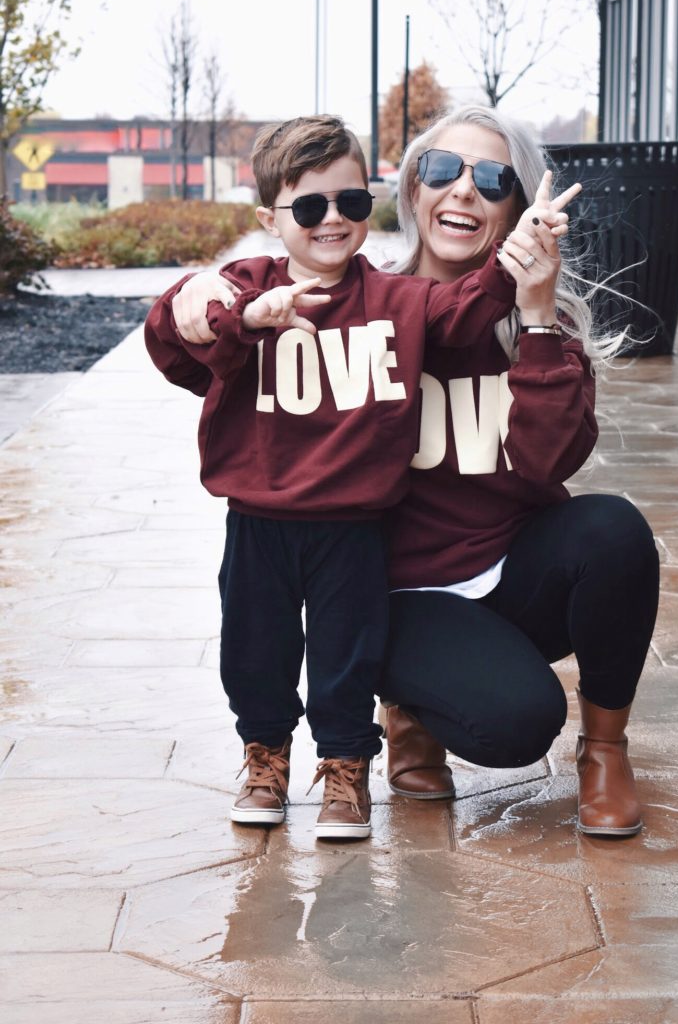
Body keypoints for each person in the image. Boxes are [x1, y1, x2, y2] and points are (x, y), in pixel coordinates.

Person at [170, 104, 660, 838]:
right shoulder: (362, 303)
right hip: (390, 597)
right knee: (517, 724)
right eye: (442, 170)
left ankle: (605, 752)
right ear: (411, 189)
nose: (464, 190)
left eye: (492, 180)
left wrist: (530, 314)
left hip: (506, 573)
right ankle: (410, 708)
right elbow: (220, 339)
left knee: (614, 531)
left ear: (520, 212)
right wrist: (202, 300)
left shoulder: (542, 328)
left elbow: (544, 464)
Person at [144, 113, 528, 841]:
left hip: (353, 528)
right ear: (270, 217)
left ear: (371, 204)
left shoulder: (394, 300)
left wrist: (515, 258)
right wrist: (232, 310)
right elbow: (173, 341)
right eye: (309, 206)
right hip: (258, 523)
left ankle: (346, 769)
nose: (331, 221)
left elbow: (464, 306)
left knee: (346, 655)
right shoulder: (243, 288)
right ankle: (264, 757)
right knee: (255, 652)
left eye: (350, 204)